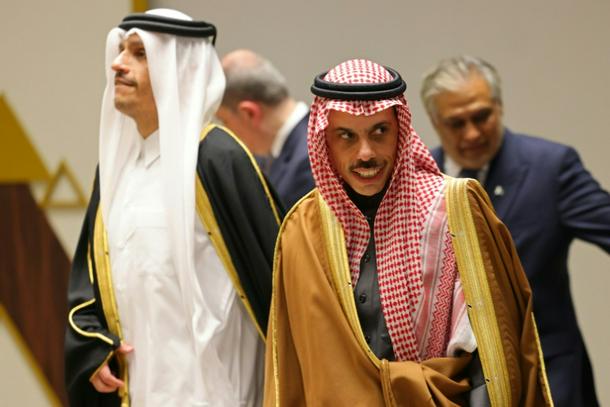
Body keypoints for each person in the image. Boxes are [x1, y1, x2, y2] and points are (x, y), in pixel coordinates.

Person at [264, 59, 552, 406]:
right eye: (346, 136)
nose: (366, 153)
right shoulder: (303, 228)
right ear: (324, 140)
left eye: (379, 131)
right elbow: (294, 370)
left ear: (400, 131)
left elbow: (491, 357)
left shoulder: (454, 209)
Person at [64, 9, 282, 406]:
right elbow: (90, 285)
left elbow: (277, 286)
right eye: (121, 51)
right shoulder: (116, 170)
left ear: (178, 69)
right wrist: (95, 351)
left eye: (139, 54)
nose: (118, 64)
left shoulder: (216, 158)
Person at [422, 55, 610, 407]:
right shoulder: (420, 182)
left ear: (499, 106)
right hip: (453, 382)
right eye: (456, 123)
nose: (472, 133)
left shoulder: (550, 169)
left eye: (482, 116)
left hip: (546, 372)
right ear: (434, 122)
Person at [216, 49, 314, 209]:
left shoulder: (310, 162)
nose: (226, 131)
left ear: (249, 113)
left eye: (225, 121)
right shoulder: (275, 154)